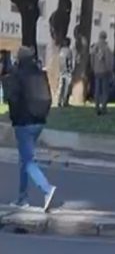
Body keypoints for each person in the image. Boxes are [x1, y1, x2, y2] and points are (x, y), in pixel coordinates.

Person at [3, 46, 56, 211]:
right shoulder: (40, 73)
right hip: (39, 121)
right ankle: (22, 198)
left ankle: (47, 189)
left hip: (24, 122)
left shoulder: (17, 75)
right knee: (24, 160)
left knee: (28, 161)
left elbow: (11, 98)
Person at [90, 31, 114, 115]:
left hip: (96, 71)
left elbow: (92, 59)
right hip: (105, 71)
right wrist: (110, 71)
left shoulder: (94, 48)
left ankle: (97, 107)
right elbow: (109, 61)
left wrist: (93, 68)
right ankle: (104, 107)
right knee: (104, 91)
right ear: (105, 37)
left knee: (97, 90)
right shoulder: (106, 48)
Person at [56, 38, 74, 108]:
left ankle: (59, 101)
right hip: (67, 72)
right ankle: (65, 102)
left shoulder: (61, 50)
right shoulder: (69, 51)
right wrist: (70, 69)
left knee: (60, 87)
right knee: (66, 87)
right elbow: (69, 61)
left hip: (61, 71)